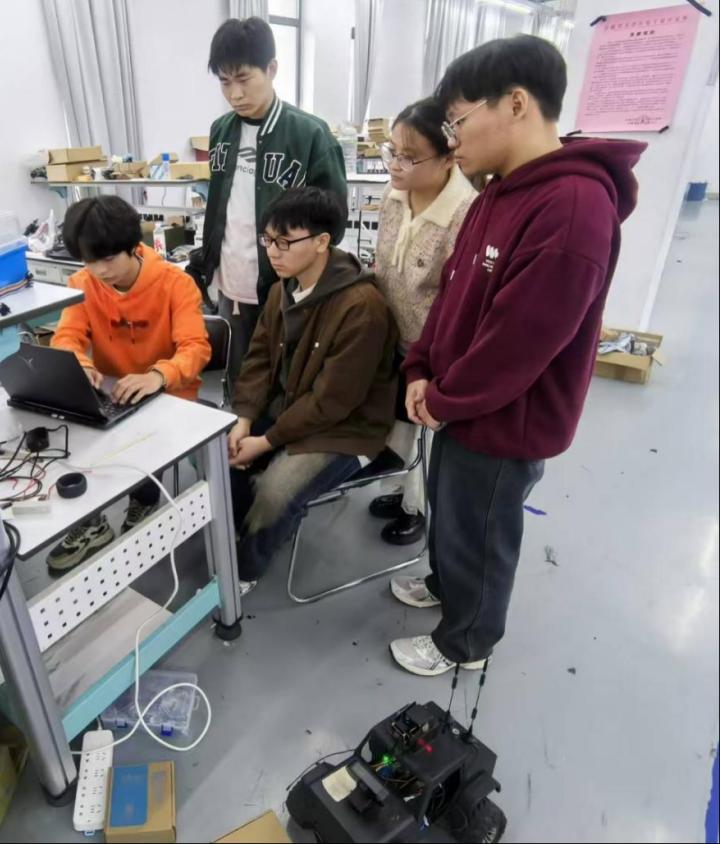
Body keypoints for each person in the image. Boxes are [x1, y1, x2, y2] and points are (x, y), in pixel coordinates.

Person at [389, 35, 645, 676]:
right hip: (459, 402)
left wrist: (444, 397)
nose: (451, 138)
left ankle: (467, 642)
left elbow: (519, 342)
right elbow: (452, 294)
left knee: (481, 528)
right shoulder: (499, 191)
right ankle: (447, 586)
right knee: (451, 509)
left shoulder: (573, 207)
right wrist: (421, 368)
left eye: (457, 120)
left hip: (507, 419)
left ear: (516, 103)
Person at [228, 187, 398, 590]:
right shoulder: (280, 290)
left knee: (276, 492)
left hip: (344, 429)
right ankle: (244, 530)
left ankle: (245, 570)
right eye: (268, 240)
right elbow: (258, 359)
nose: (273, 252)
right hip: (289, 410)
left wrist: (264, 441)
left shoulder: (361, 307)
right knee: (220, 452)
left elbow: (332, 402)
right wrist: (244, 419)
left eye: (285, 242)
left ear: (322, 242)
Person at [47, 195, 211, 572]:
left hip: (170, 395)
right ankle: (92, 522)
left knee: (141, 445)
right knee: (72, 436)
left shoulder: (176, 284)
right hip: (114, 392)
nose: (98, 270)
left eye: (107, 259)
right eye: (88, 260)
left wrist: (158, 375)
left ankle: (144, 499)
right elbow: (67, 337)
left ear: (132, 246)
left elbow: (195, 348)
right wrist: (80, 364)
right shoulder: (82, 283)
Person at [204, 16, 348, 390]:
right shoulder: (221, 131)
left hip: (284, 284)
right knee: (240, 378)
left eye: (243, 78)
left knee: (285, 381)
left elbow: (334, 220)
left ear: (271, 69)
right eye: (224, 81)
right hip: (231, 280)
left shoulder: (310, 134)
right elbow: (220, 207)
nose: (235, 93)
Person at [368, 98, 477, 547]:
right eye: (391, 152)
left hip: (433, 349)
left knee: (424, 430)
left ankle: (417, 509)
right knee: (398, 425)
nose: (395, 165)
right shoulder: (393, 196)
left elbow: (457, 298)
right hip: (391, 336)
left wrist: (429, 360)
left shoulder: (465, 214)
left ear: (449, 157)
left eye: (409, 157)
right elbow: (383, 263)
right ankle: (401, 492)